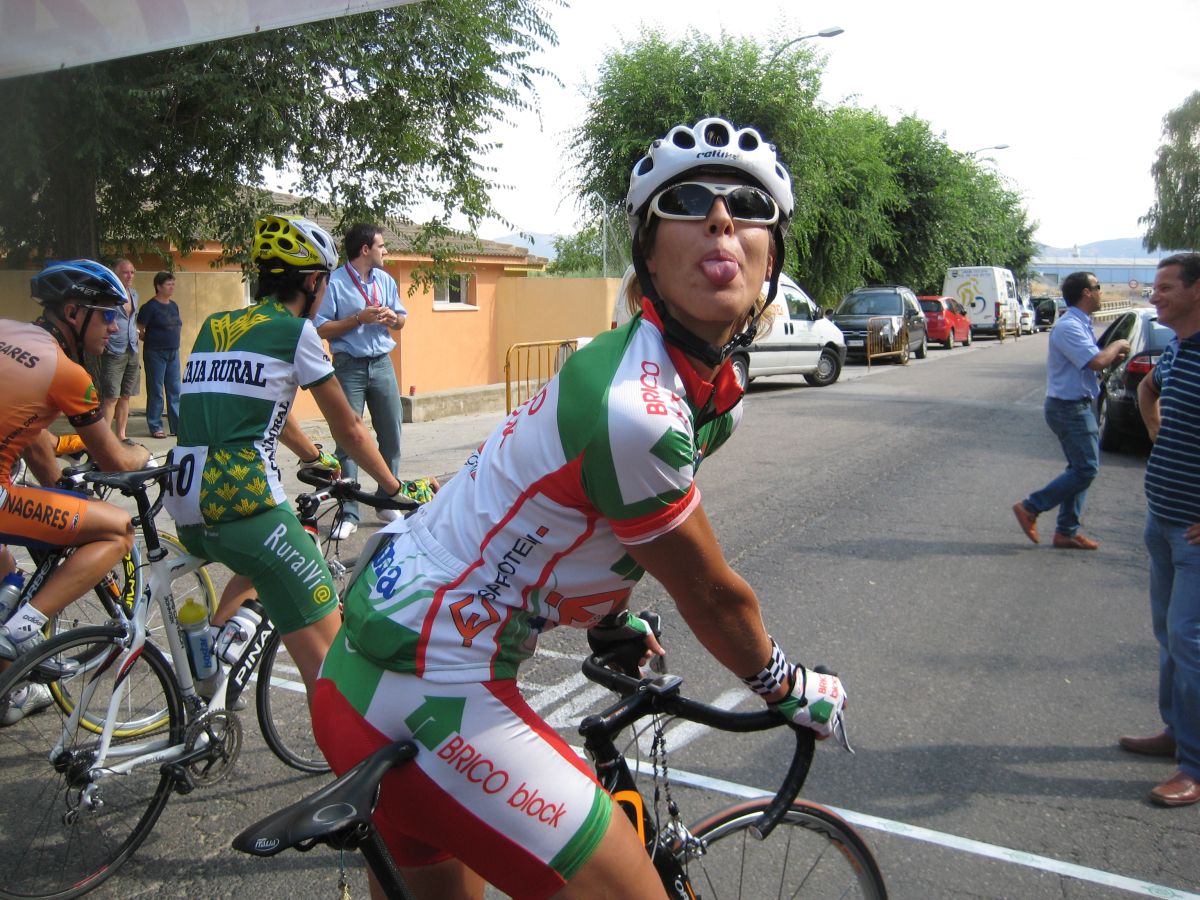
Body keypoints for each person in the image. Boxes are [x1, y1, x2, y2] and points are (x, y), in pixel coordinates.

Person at [311, 118, 848, 900]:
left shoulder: (689, 384)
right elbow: (710, 594)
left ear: (773, 256)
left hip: (369, 677)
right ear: (648, 256)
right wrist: (785, 683)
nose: (721, 218)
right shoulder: (638, 408)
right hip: (430, 697)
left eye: (748, 205)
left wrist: (608, 618)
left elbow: (585, 523)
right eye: (687, 202)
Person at [163, 214, 404, 701]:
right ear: (314, 282)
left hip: (185, 502)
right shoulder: (297, 332)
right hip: (243, 503)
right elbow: (351, 430)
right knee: (337, 671)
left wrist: (315, 457)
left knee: (260, 564)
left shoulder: (215, 325)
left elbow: (263, 402)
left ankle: (212, 669)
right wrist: (394, 489)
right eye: (324, 281)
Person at [0, 260, 151, 721]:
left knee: (8, 580)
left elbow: (32, 441)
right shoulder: (67, 373)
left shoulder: (7, 332)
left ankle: (9, 694)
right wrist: (146, 455)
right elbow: (115, 459)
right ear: (72, 313)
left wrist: (60, 495)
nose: (115, 326)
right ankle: (22, 632)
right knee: (117, 529)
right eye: (106, 315)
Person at [1119, 252, 1200, 807]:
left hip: (1193, 534)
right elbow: (1149, 390)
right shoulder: (1178, 349)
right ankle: (1176, 732)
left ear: (1197, 291)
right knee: (1169, 636)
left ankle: (1195, 764)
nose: (1154, 297)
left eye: (1166, 287)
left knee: (1189, 641)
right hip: (1161, 518)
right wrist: (1157, 433)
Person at [1012, 270, 1130, 550]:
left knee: (1079, 468)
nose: (1101, 292)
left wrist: (1111, 357)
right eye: (1097, 287)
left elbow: (1092, 365)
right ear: (1086, 293)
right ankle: (1031, 507)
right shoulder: (1069, 327)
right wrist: (1117, 344)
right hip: (1068, 408)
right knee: (1086, 469)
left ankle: (1066, 531)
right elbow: (1096, 361)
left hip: (1075, 405)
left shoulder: (1081, 323)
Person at [315, 223, 407, 539]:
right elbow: (319, 328)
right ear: (365, 249)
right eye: (381, 246)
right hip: (348, 366)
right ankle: (348, 512)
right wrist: (358, 319)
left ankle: (386, 500)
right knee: (347, 440)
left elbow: (402, 320)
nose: (386, 251)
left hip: (382, 364)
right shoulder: (335, 282)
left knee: (392, 433)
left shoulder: (385, 280)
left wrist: (392, 318)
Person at [85, 258, 141, 443]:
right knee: (111, 397)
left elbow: (132, 319)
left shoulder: (134, 294)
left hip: (132, 348)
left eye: (132, 272)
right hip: (114, 349)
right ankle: (104, 437)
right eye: (125, 272)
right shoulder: (109, 295)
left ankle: (121, 435)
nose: (130, 276)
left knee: (126, 395)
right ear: (116, 274)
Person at [136, 270, 183, 438]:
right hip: (155, 353)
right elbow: (139, 329)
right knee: (156, 390)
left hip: (173, 352)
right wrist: (150, 340)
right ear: (158, 286)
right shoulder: (150, 307)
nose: (172, 287)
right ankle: (156, 426)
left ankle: (177, 426)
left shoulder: (173, 305)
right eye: (168, 284)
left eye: (173, 284)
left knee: (175, 389)